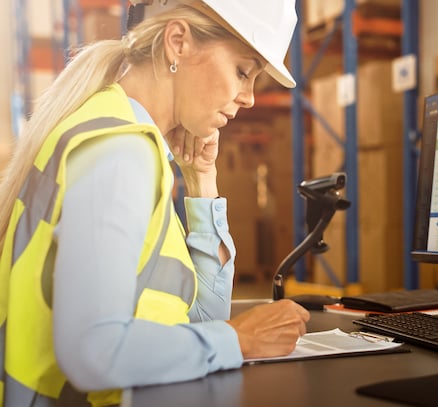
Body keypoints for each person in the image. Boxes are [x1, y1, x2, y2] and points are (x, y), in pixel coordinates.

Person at [0, 0, 310, 405]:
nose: (249, 98)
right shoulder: (120, 152)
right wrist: (241, 338)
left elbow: (196, 320)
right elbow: (93, 352)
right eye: (242, 71)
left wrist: (201, 180)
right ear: (178, 42)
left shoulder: (131, 141)